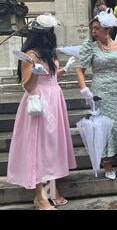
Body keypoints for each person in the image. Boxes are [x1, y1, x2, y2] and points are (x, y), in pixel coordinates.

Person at [7, 14, 77, 210]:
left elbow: (50, 76)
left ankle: (51, 189)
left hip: (54, 99)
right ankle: (39, 195)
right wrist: (35, 74)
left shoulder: (48, 53)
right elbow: (27, 86)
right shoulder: (30, 55)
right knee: (38, 147)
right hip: (39, 102)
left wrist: (64, 69)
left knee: (51, 147)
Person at [76, 10, 117, 180]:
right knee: (104, 126)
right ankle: (106, 163)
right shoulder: (90, 47)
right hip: (100, 91)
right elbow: (80, 70)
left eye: (97, 28)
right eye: (92, 29)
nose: (93, 32)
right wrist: (84, 89)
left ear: (108, 29)